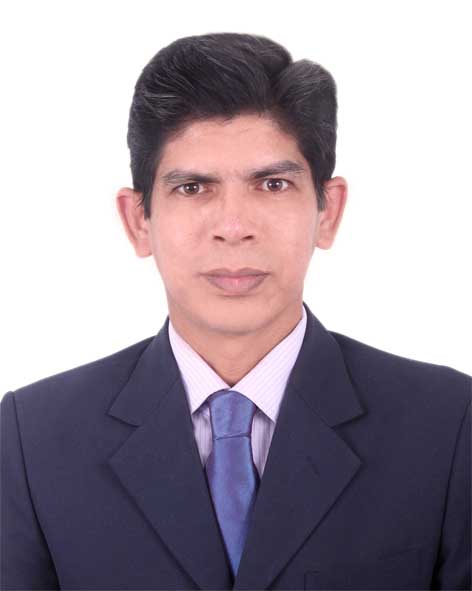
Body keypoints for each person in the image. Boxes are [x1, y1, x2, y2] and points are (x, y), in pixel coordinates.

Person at [1, 32, 470, 591]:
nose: (233, 226)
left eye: (272, 184)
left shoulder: (449, 425)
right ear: (138, 220)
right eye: (192, 188)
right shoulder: (33, 437)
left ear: (327, 211)